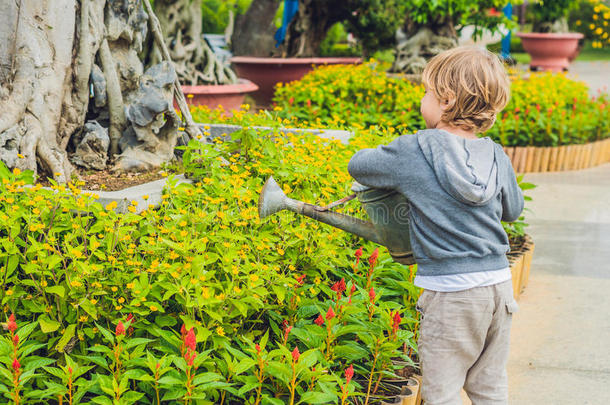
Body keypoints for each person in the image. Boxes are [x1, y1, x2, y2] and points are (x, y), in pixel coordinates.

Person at [347, 46, 524, 405]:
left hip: (451, 294)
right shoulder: (495, 154)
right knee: (490, 388)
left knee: (441, 393)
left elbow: (359, 166)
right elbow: (513, 211)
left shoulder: (414, 151)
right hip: (498, 288)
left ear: (445, 101)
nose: (423, 100)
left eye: (426, 93)